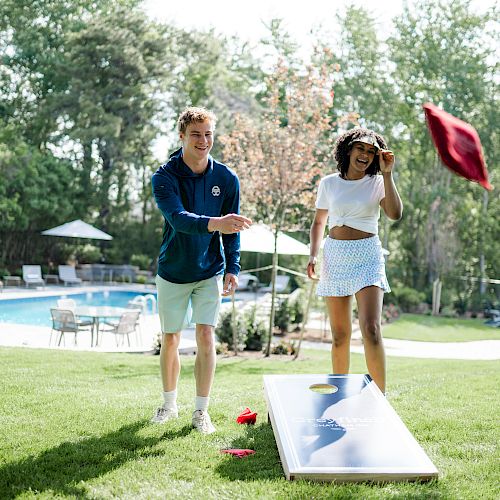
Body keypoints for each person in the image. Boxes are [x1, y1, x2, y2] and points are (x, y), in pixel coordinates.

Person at [151, 106, 252, 433]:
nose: (203, 140)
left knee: (206, 335)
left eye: (208, 134)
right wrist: (217, 224)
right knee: (171, 338)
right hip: (173, 271)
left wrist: (233, 267)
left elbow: (231, 228)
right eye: (196, 134)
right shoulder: (164, 177)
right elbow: (178, 220)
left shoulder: (227, 178)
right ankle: (168, 405)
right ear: (182, 136)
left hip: (209, 269)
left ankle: (200, 412)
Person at [307, 128, 403, 394]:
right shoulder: (329, 183)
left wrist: (387, 173)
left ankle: (380, 398)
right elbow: (318, 222)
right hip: (335, 256)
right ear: (348, 150)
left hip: (367, 256)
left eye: (371, 151)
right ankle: (338, 396)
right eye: (361, 148)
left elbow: (395, 213)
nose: (365, 155)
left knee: (371, 328)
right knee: (339, 336)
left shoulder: (377, 182)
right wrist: (313, 253)